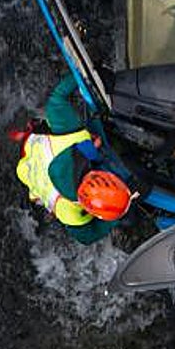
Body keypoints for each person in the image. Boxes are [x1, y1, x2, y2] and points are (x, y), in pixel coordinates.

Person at [13, 73, 135, 244]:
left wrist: (87, 77)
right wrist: (115, 216)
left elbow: (57, 99)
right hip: (31, 170)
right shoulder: (70, 214)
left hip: (30, 162)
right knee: (129, 216)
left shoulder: (69, 133)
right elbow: (87, 236)